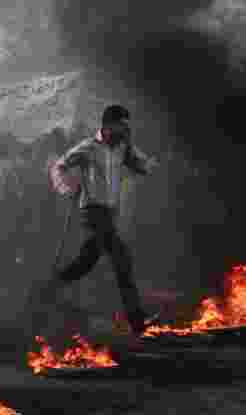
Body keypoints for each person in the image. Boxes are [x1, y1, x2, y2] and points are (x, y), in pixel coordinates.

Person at [40, 104, 159, 337]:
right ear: (108, 126)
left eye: (127, 126)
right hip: (93, 212)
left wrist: (149, 164)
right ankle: (137, 320)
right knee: (121, 257)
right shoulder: (88, 147)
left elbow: (142, 165)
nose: (125, 131)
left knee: (87, 261)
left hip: (109, 212)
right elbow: (59, 167)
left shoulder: (122, 148)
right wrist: (65, 187)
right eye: (122, 126)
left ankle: (50, 287)